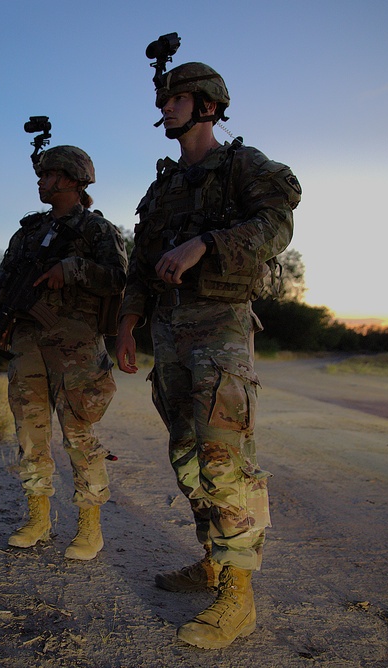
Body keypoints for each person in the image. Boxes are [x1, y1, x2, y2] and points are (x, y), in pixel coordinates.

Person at [115, 63, 301, 648]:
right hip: (168, 331)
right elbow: (141, 265)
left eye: (178, 98)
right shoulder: (162, 188)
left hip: (220, 324)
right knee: (186, 457)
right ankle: (214, 561)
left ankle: (239, 597)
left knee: (224, 456)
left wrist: (207, 243)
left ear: (209, 106)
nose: (166, 107)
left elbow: (276, 224)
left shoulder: (243, 166)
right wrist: (127, 324)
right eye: (163, 100)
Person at [0, 145, 127, 561]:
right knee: (30, 432)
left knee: (78, 433)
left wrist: (72, 269)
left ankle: (89, 527)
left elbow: (119, 278)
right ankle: (38, 519)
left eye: (48, 175)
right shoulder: (29, 232)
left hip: (76, 344)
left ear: (70, 179)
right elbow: (4, 278)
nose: (41, 181)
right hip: (28, 342)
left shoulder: (97, 230)